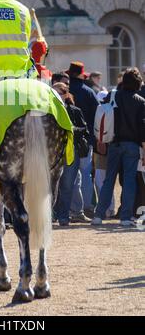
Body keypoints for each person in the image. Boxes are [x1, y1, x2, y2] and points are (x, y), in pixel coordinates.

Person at [92, 68, 145, 227]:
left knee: (109, 180)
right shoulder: (141, 101)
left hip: (113, 143)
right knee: (129, 181)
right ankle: (126, 217)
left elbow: (102, 115)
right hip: (132, 146)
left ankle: (98, 215)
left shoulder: (113, 95)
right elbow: (143, 130)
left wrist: (100, 139)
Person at [53, 83, 89, 226]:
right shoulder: (47, 111)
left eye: (59, 93)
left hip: (70, 151)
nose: (56, 96)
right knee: (51, 186)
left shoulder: (74, 110)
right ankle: (51, 215)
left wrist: (70, 129)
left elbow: (85, 129)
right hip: (53, 152)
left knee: (67, 185)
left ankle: (63, 216)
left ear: (66, 94)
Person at [68, 62, 99, 219]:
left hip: (67, 138)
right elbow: (98, 115)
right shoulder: (89, 92)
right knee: (86, 175)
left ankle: (74, 208)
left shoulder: (64, 90)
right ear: (81, 74)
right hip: (86, 139)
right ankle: (88, 207)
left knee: (69, 176)